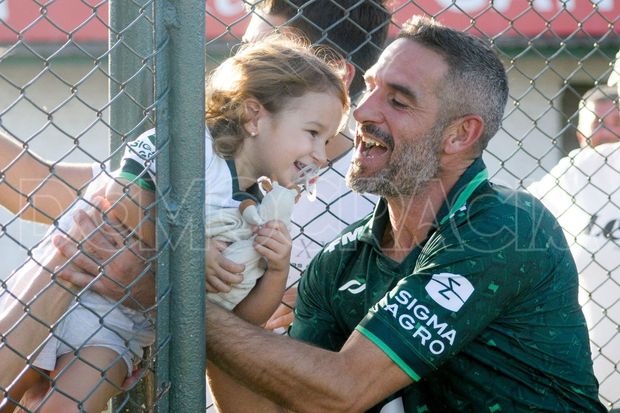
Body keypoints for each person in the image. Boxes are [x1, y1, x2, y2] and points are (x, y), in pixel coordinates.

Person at [54, 16, 606, 412]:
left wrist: (168, 288)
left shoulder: (507, 227)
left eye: (398, 100)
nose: (361, 113)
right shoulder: (340, 260)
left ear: (461, 134)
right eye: (367, 89)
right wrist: (213, 303)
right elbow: (275, 392)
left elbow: (343, 390)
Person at [0, 36, 349, 412]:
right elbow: (120, 192)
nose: (321, 154)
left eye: (327, 141)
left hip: (117, 333)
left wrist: (276, 271)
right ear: (254, 116)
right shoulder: (194, 148)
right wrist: (189, 247)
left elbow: (242, 320)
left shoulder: (263, 216)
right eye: (313, 133)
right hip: (69, 282)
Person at [242, 0, 391, 330]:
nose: (239, 71)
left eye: (265, 57)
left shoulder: (383, 207)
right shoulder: (206, 162)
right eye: (243, 52)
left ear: (333, 73)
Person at [528, 85, 620, 408]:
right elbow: (523, 209)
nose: (608, 134)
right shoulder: (569, 177)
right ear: (581, 134)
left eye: (618, 122)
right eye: (598, 124)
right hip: (588, 369)